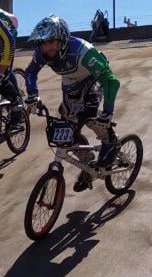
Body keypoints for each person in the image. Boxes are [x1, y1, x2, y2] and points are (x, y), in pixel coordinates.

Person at [22, 15, 122, 192]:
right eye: (43, 43)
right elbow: (30, 72)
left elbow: (111, 81)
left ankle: (110, 141)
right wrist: (32, 95)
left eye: (51, 42)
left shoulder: (82, 51)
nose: (47, 47)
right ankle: (87, 163)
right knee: (67, 128)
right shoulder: (41, 53)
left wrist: (108, 111)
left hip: (93, 79)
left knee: (89, 117)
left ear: (62, 39)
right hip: (70, 84)